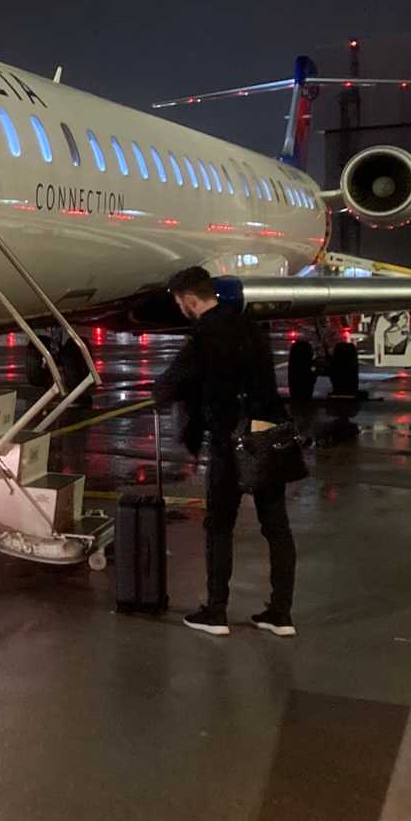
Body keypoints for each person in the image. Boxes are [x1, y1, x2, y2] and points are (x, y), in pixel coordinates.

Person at [152, 266, 297, 637]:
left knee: (219, 526)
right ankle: (280, 614)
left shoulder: (204, 334)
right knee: (276, 527)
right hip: (268, 434)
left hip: (230, 442)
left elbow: (172, 383)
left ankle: (216, 611)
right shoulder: (249, 324)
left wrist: (163, 397)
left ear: (187, 299)